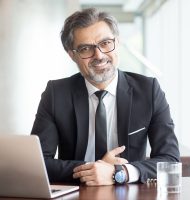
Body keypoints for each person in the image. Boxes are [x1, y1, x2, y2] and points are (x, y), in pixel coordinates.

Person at [31, 8, 180, 186]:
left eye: (106, 43)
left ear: (117, 41)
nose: (99, 55)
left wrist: (120, 173)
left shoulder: (149, 90)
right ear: (72, 55)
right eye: (86, 48)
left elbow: (170, 160)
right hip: (75, 193)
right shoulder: (56, 93)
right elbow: (38, 163)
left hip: (130, 193)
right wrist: (93, 170)